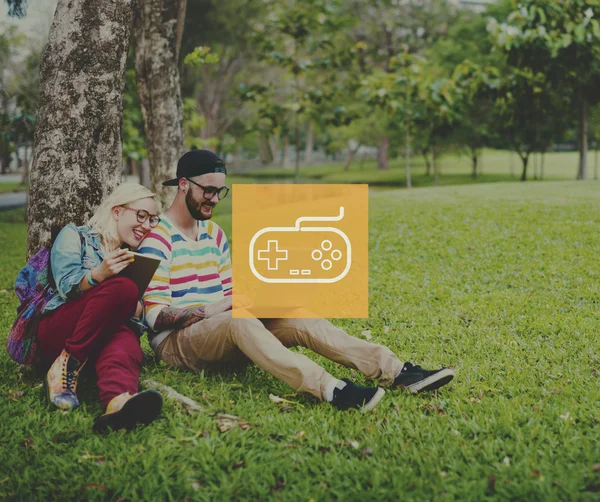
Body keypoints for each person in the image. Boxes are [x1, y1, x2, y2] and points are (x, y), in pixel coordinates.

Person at [138, 151, 454, 411]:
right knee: (239, 321)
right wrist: (217, 309)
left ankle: (397, 371)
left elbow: (231, 292)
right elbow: (155, 318)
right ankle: (331, 389)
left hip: (223, 331)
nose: (215, 199)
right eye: (208, 190)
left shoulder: (214, 234)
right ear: (182, 185)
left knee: (295, 314)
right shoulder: (157, 239)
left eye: (220, 191)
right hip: (176, 345)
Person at [37, 183, 163, 432]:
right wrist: (98, 274)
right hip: (59, 330)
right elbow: (65, 286)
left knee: (125, 339)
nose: (147, 226)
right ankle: (65, 364)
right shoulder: (76, 235)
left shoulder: (132, 256)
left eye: (152, 220)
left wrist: (136, 309)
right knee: (123, 289)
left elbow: (133, 315)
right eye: (141, 215)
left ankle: (118, 402)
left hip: (99, 337)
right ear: (117, 211)